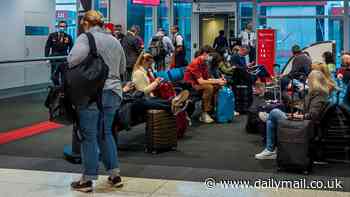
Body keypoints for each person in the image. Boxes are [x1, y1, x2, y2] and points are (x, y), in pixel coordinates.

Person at [67, 10, 126, 192]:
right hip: (115, 92)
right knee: (106, 132)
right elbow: (123, 67)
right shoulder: (115, 40)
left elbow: (72, 60)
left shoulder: (86, 38)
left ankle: (87, 179)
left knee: (89, 135)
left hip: (93, 93)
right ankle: (114, 174)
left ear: (86, 23)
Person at [255, 70, 329, 160]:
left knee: (274, 112)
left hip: (305, 125)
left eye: (308, 79)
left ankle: (270, 149)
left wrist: (296, 116)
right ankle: (270, 150)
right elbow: (307, 111)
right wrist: (294, 114)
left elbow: (312, 116)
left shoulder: (319, 95)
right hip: (303, 122)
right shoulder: (315, 94)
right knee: (271, 120)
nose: (307, 81)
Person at [184, 46, 227, 123]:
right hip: (191, 85)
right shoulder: (195, 63)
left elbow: (207, 79)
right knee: (209, 87)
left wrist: (219, 80)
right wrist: (217, 81)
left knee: (217, 86)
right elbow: (201, 81)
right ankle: (205, 113)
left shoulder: (204, 63)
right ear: (204, 54)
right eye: (210, 55)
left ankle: (212, 109)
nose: (211, 57)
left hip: (198, 84)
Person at [45, 20, 73, 85]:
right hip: (54, 59)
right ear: (58, 26)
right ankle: (57, 88)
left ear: (66, 28)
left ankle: (63, 91)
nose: (62, 27)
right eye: (61, 26)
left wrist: (70, 58)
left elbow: (71, 48)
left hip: (64, 59)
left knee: (64, 77)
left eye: (64, 26)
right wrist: (47, 58)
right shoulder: (52, 35)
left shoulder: (68, 37)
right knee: (54, 77)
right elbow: (47, 47)